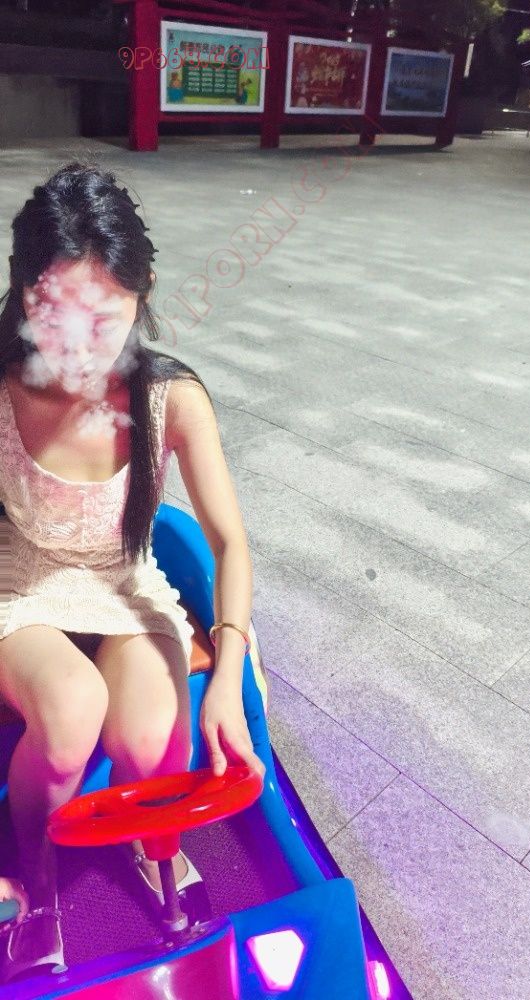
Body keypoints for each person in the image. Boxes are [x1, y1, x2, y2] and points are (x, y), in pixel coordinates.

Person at [0, 161, 265, 980]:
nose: (77, 347)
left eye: (105, 317)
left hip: (123, 584)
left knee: (154, 734)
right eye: (55, 312)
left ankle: (155, 849)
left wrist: (229, 672)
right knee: (71, 709)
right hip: (20, 585)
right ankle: (37, 880)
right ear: (24, 295)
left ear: (141, 297)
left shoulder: (169, 398)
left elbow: (229, 544)